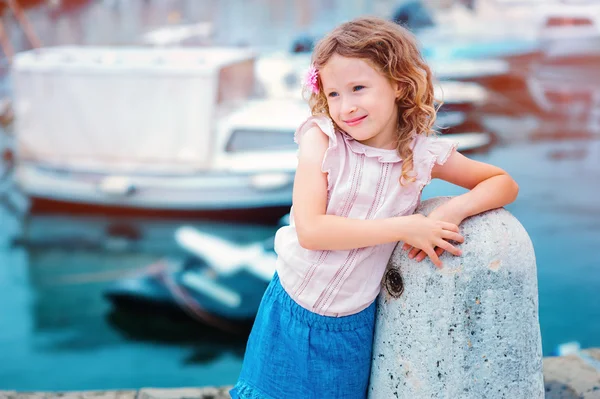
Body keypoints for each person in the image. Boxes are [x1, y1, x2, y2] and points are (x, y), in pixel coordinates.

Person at [230, 16, 519, 399]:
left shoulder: (423, 154)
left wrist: (452, 211)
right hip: (291, 311)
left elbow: (503, 183)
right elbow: (312, 231)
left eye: (358, 88)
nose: (345, 107)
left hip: (353, 324)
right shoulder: (322, 139)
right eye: (334, 94)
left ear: (399, 84)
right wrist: (405, 227)